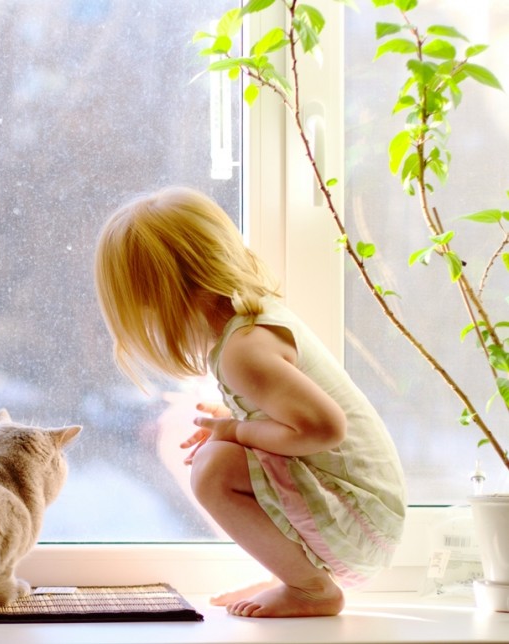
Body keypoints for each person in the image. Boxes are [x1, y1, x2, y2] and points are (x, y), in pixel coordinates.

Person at [94, 186, 406, 618]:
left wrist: (238, 430)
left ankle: (311, 588)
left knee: (213, 469)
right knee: (220, 453)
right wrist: (238, 421)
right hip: (366, 519)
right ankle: (294, 576)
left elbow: (326, 429)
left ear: (161, 299)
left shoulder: (244, 350)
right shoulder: (254, 324)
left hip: (360, 522)